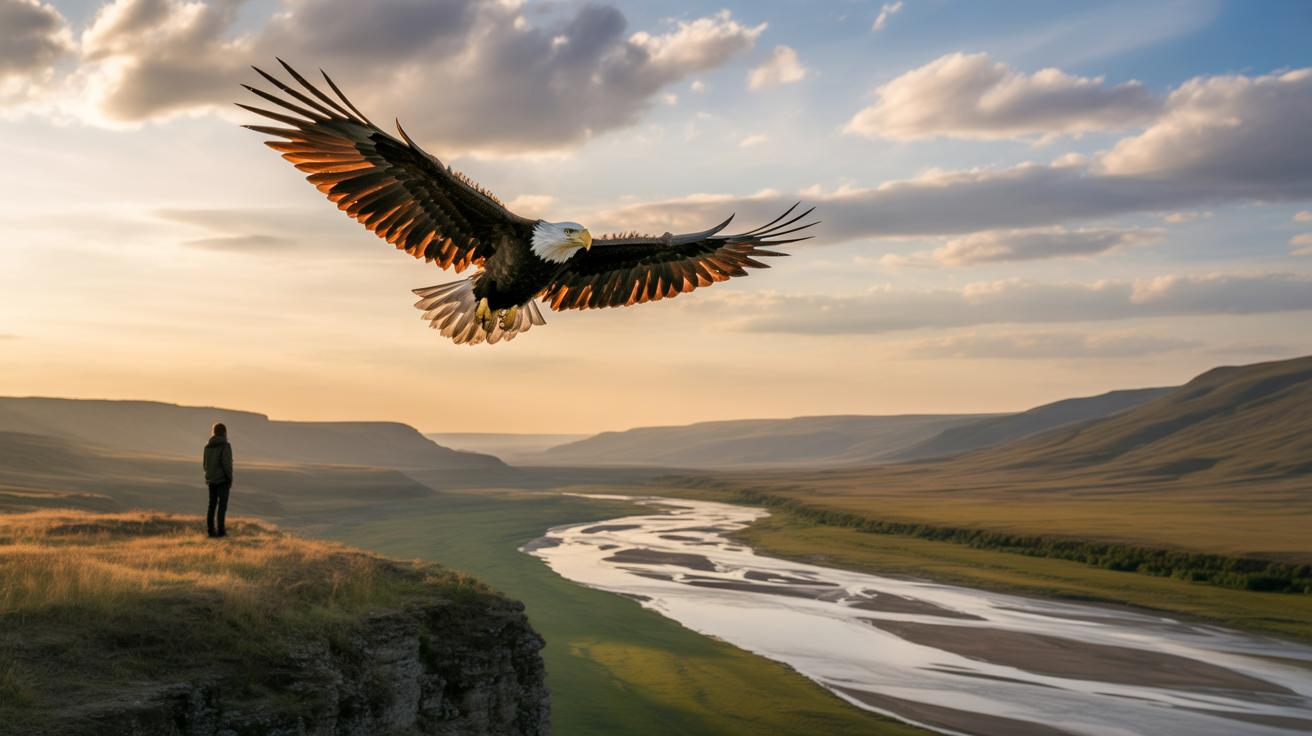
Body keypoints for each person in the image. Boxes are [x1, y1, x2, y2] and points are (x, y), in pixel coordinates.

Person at [202, 422, 234, 538]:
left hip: (211, 480)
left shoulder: (207, 446)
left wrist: (209, 475)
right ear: (224, 432)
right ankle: (221, 531)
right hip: (222, 480)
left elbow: (205, 464)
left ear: (214, 432)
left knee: (212, 505)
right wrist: (230, 479)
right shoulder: (225, 445)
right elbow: (227, 464)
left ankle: (211, 531)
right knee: (222, 506)